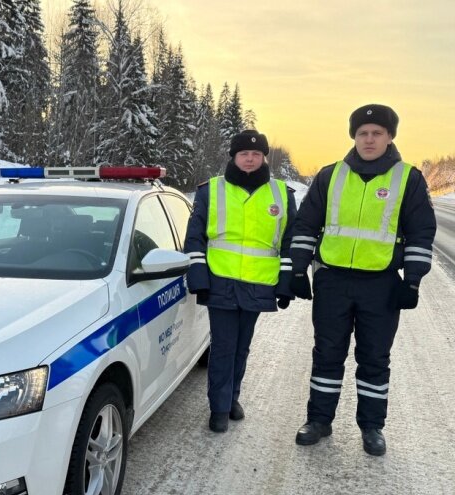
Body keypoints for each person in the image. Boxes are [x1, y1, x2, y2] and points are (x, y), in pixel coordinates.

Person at [290, 104, 437, 456]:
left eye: (377, 133)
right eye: (362, 133)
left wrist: (412, 281)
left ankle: (372, 427)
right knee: (327, 353)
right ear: (353, 137)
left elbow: (421, 232)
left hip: (381, 285)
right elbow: (306, 224)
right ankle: (319, 420)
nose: (369, 139)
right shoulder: (330, 175)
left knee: (374, 357)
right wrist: (297, 270)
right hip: (333, 281)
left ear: (389, 138)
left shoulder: (408, 178)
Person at [186, 130, 296, 433]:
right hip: (219, 281)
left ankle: (232, 397)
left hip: (260, 284)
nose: (250, 158)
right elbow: (195, 237)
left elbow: (289, 242)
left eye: (257, 153)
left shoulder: (281, 195)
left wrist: (287, 282)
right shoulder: (211, 191)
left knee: (242, 347)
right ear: (233, 156)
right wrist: (198, 277)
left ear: (264, 158)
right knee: (223, 346)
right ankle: (219, 407)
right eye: (244, 153)